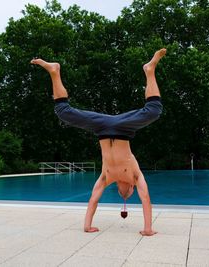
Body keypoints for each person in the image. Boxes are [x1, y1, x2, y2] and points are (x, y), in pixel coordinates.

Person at [31, 48, 166, 236]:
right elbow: (145, 199)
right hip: (124, 128)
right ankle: (149, 70)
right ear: (131, 187)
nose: (124, 193)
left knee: (63, 112)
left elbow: (94, 199)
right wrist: (148, 228)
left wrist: (87, 225)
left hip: (102, 129)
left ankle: (54, 70)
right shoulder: (136, 176)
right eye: (127, 193)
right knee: (154, 111)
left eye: (122, 193)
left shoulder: (106, 177)